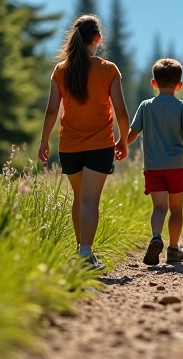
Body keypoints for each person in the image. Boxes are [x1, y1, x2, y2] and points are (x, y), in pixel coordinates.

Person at [38, 15, 130, 270]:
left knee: (79, 197)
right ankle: (85, 255)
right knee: (90, 200)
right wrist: (123, 140)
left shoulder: (61, 70)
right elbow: (121, 111)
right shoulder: (108, 70)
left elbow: (51, 110)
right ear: (97, 39)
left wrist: (44, 141)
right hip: (100, 144)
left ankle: (82, 253)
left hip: (69, 146)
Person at [127, 58, 183, 265]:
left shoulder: (145, 106)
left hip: (153, 167)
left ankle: (156, 237)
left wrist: (119, 147)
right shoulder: (182, 106)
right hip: (175, 165)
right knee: (176, 209)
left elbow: (132, 134)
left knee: (159, 208)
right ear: (179, 85)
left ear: (153, 83)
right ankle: (173, 248)